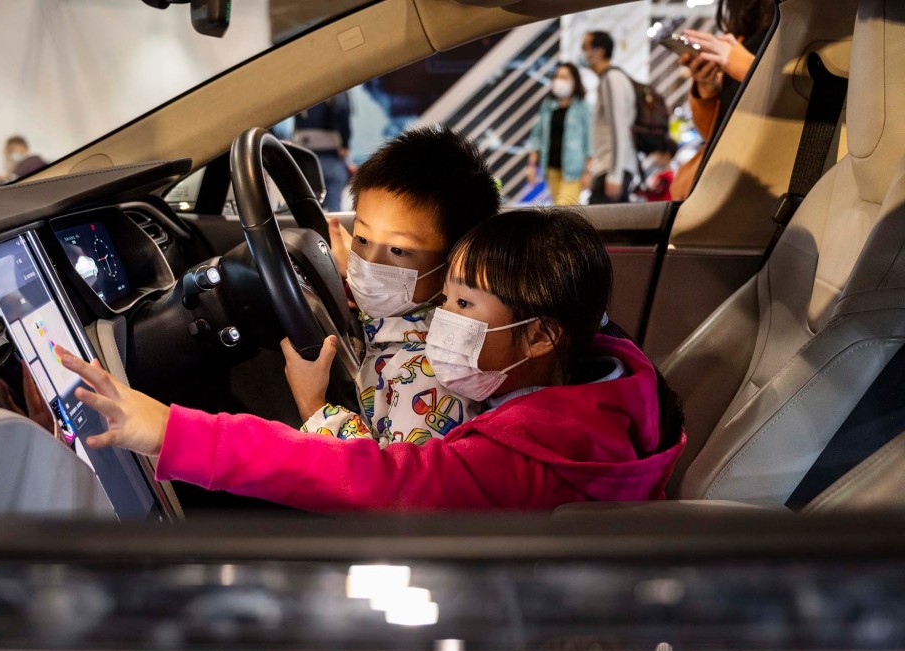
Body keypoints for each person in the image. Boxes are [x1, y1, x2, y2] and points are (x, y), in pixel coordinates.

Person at [55, 208, 686, 512]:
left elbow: (377, 479)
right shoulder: (614, 383)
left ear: (542, 337)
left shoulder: (517, 463)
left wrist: (170, 429)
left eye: (464, 302)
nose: (444, 314)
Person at [293, 127, 500, 447]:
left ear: (455, 264)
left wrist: (315, 407)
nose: (370, 264)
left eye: (399, 250)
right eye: (362, 239)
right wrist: (348, 284)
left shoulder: (437, 373)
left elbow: (390, 486)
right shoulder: (396, 311)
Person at [670, 0, 774, 200]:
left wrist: (746, 68)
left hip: (756, 185)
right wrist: (707, 88)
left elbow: (797, 96)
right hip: (721, 182)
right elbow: (714, 131)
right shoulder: (741, 37)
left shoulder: (803, 28)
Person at [581, 31, 639, 205]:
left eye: (585, 48)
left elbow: (618, 128)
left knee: (598, 226)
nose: (583, 53)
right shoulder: (609, 79)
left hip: (612, 170)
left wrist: (615, 175)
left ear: (599, 52)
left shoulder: (611, 79)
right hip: (609, 168)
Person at [525, 62, 592, 206]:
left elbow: (589, 142)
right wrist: (531, 165)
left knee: (563, 209)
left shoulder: (583, 107)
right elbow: (536, 135)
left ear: (574, 81)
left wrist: (587, 172)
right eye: (556, 76)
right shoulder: (548, 105)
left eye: (564, 77)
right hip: (551, 168)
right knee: (557, 209)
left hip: (573, 171)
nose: (559, 80)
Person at [293, 93, 355, 211]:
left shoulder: (299, 91)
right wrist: (345, 144)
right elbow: (342, 108)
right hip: (331, 156)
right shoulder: (334, 88)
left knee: (308, 208)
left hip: (304, 159)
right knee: (333, 208)